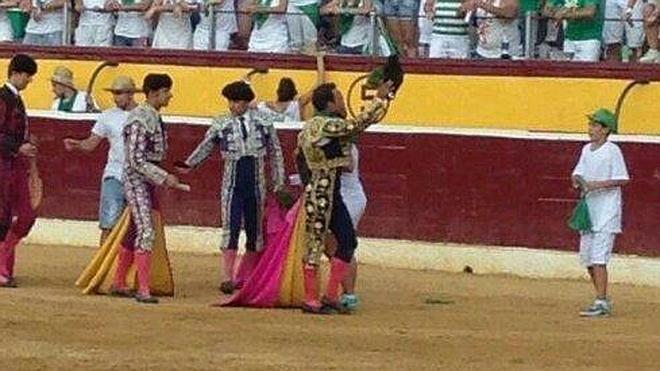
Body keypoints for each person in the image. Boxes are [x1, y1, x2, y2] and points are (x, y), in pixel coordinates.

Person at [177, 80, 285, 294]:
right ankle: (227, 277)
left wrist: (279, 182)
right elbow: (206, 145)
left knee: (255, 231)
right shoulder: (221, 122)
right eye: (230, 101)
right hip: (232, 183)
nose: (231, 106)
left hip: (256, 182)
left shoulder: (263, 121)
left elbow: (276, 152)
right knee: (231, 228)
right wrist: (189, 164)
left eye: (235, 101)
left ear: (245, 102)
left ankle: (249, 277)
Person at [112, 73, 187, 304]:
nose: (170, 95)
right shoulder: (139, 118)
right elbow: (135, 159)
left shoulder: (150, 116)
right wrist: (164, 177)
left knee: (136, 230)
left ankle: (118, 282)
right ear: (154, 93)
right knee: (146, 230)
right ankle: (143, 289)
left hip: (147, 180)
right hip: (137, 180)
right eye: (166, 91)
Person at [63, 76, 139, 246]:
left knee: (136, 229)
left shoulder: (143, 115)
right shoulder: (107, 116)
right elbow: (91, 144)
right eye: (114, 93)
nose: (115, 97)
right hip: (114, 174)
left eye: (119, 93)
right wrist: (78, 145)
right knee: (108, 224)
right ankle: (103, 268)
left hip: (138, 177)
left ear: (131, 94)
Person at [571, 108, 629, 317]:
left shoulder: (613, 150)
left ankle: (601, 301)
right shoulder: (587, 149)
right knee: (588, 259)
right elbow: (578, 171)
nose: (591, 129)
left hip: (607, 211)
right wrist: (577, 179)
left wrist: (596, 185)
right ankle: (601, 297)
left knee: (598, 258)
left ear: (606, 130)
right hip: (589, 211)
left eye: (596, 125)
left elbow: (622, 179)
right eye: (591, 125)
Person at [0, 54, 38, 288]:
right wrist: (18, 147)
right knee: (2, 216)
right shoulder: (3, 98)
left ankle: (2, 262)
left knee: (27, 214)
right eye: (27, 76)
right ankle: (3, 269)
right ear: (16, 73)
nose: (29, 81)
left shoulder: (15, 99)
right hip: (2, 163)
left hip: (15, 164)